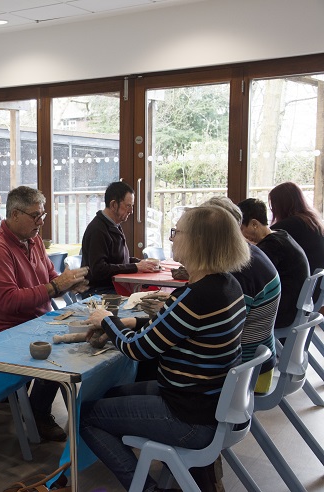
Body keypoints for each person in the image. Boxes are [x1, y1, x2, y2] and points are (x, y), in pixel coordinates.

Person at [80, 205, 249, 491]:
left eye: (176, 232)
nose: (172, 239)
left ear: (197, 241)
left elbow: (137, 349)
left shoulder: (194, 297)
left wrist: (108, 321)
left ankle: (147, 487)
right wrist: (128, 321)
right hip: (207, 402)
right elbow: (174, 325)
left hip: (190, 416)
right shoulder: (227, 285)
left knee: (86, 417)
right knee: (110, 394)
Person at [0, 186, 90, 442]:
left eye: (43, 215)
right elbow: (8, 301)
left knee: (80, 336)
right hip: (8, 328)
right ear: (15, 215)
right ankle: (38, 413)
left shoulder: (34, 239)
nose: (40, 222)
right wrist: (55, 287)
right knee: (57, 350)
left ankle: (81, 409)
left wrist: (69, 283)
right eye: (35, 216)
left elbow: (51, 277)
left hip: (37, 320)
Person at [202, 197, 280, 393]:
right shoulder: (251, 252)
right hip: (259, 362)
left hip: (247, 374)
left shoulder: (239, 269)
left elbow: (220, 329)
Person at [238, 198, 309, 329]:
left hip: (283, 313)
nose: (241, 235)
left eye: (241, 228)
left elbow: (249, 274)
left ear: (254, 224)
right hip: (297, 307)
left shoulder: (272, 246)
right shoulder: (281, 235)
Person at [80, 181, 158, 297]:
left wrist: (141, 263)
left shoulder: (114, 224)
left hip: (113, 287)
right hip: (99, 292)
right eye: (128, 206)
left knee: (154, 295)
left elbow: (118, 261)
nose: (131, 211)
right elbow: (99, 269)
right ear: (113, 205)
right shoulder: (97, 229)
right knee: (146, 302)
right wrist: (135, 267)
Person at [269, 181, 324, 273]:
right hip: (315, 282)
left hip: (302, 281)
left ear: (279, 205)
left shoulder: (290, 224)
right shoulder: (312, 220)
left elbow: (265, 237)